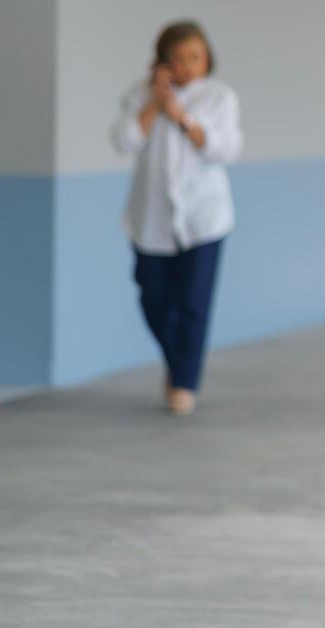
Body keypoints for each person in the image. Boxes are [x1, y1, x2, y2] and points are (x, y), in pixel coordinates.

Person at [111, 21, 242, 416]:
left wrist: (182, 117)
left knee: (193, 304)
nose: (188, 66)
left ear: (207, 58)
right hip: (151, 220)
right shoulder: (139, 95)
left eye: (195, 57)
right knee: (152, 296)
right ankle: (177, 360)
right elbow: (123, 141)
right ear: (163, 61)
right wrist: (157, 102)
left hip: (204, 219)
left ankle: (183, 383)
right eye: (179, 59)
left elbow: (225, 149)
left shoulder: (219, 97)